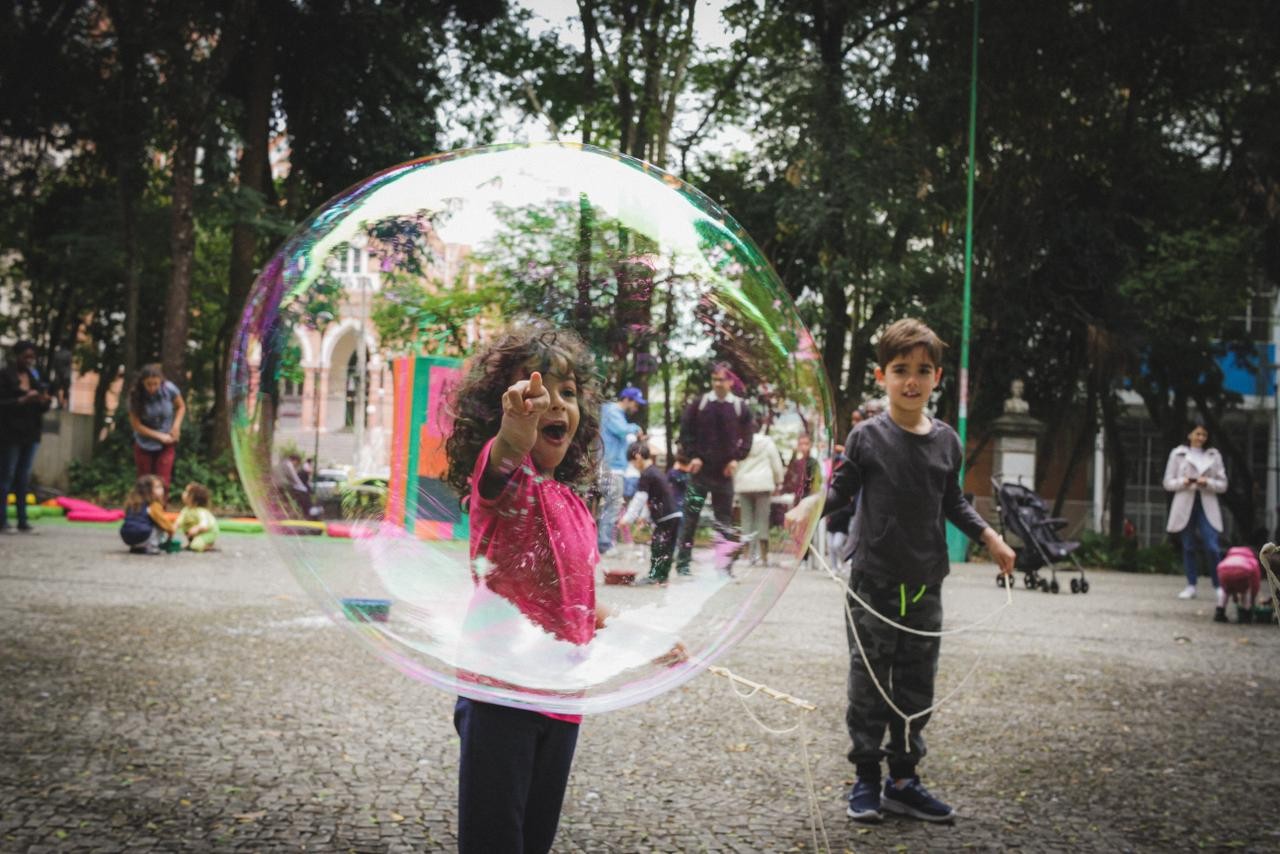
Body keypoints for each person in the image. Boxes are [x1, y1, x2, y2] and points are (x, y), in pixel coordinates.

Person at [788, 317, 1016, 825]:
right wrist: (809, 507)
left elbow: (953, 500)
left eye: (922, 370)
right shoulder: (867, 437)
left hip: (926, 584)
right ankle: (867, 778)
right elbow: (842, 490)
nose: (911, 381)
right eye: (900, 370)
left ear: (937, 378)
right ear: (881, 376)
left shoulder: (947, 443)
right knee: (869, 685)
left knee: (916, 686)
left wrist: (990, 536)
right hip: (873, 583)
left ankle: (905, 779)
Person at [442, 321, 609, 854]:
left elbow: (574, 593)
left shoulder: (572, 502)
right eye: (538, 391)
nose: (554, 403)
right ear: (502, 408)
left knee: (533, 840)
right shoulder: (504, 484)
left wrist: (632, 629)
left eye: (568, 393)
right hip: (502, 695)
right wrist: (518, 423)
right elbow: (505, 455)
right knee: (495, 841)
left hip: (561, 700)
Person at [674, 363, 755, 576]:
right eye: (715, 379)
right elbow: (685, 432)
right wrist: (693, 456)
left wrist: (737, 459)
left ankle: (724, 567)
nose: (718, 383)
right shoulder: (699, 404)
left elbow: (747, 437)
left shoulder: (740, 407)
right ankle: (683, 565)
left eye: (722, 379)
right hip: (700, 472)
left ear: (730, 382)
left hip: (724, 473)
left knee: (724, 521)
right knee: (690, 518)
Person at [1162, 420, 1228, 600]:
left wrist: (1207, 482)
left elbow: (1223, 484)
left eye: (1204, 435)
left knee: (1212, 546)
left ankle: (1219, 585)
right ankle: (1191, 585)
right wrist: (1183, 482)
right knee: (1188, 545)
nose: (1200, 438)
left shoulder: (1214, 455)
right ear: (1189, 435)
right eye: (1197, 434)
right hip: (1185, 502)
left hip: (1206, 502)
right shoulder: (1178, 454)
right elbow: (1168, 482)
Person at [0, 341, 52, 534]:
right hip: (9, 434)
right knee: (6, 477)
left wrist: (44, 401)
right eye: (26, 356)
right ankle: (2, 520)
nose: (29, 360)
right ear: (17, 356)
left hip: (31, 434)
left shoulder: (33, 377)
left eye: (32, 356)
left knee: (23, 478)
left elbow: (41, 408)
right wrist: (23, 399)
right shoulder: (5, 375)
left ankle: (23, 520)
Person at [620, 442, 683, 586]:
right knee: (667, 547)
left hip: (665, 517)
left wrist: (627, 519)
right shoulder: (656, 472)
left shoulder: (646, 474)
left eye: (632, 463)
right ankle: (663, 577)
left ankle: (654, 576)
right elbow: (652, 498)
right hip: (674, 515)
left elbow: (640, 498)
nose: (634, 467)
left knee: (658, 546)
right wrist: (643, 517)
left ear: (637, 457)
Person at [597, 386, 646, 555]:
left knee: (610, 504)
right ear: (626, 399)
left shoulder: (616, 414)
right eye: (635, 404)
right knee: (613, 504)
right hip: (611, 467)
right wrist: (635, 428)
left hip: (615, 466)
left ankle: (602, 541)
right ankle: (604, 544)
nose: (636, 408)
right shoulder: (612, 411)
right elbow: (620, 430)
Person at [128, 364, 186, 492]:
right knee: (145, 483)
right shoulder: (135, 395)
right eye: (149, 384)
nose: (152, 387)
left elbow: (181, 407)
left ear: (161, 381)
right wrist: (160, 436)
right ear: (142, 382)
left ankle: (160, 510)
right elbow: (136, 425)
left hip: (167, 443)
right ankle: (143, 511)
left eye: (156, 384)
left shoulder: (169, 389)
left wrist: (176, 427)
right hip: (144, 444)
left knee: (163, 481)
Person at [733, 424, 785, 565]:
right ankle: (764, 556)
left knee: (747, 520)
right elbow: (776, 463)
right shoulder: (767, 442)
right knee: (762, 520)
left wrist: (734, 481)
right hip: (763, 484)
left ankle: (748, 556)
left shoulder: (741, 443)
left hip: (744, 484)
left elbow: (735, 464)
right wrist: (779, 480)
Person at [119, 474, 177, 555]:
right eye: (158, 487)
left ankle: (136, 547)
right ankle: (152, 547)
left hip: (126, 536)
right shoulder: (153, 505)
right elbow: (163, 521)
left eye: (161, 487)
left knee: (140, 523)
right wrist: (171, 529)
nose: (162, 490)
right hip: (143, 535)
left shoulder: (133, 503)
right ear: (148, 490)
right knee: (159, 525)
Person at [1214, 546, 1261, 623]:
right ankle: (1246, 614)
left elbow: (1222, 575)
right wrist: (1253, 596)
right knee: (1246, 591)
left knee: (1225, 591)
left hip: (1223, 570)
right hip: (1243, 571)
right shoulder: (1251, 559)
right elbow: (1255, 579)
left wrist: (1226, 588)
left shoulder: (1229, 556)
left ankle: (1220, 611)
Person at [176, 482, 219, 552]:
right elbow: (179, 521)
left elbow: (205, 525)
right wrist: (173, 527)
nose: (183, 493)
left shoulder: (201, 511)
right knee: (187, 525)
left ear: (195, 498)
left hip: (209, 532)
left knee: (196, 546)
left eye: (187, 492)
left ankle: (208, 545)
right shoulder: (185, 510)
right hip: (196, 533)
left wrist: (197, 528)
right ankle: (193, 542)